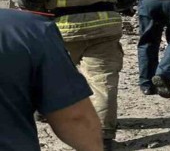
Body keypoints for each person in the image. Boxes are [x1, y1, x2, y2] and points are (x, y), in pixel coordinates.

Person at [16, 0, 137, 150]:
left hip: (62, 31)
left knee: (52, 78)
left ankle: (46, 114)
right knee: (103, 82)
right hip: (105, 29)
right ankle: (103, 138)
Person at [0, 8, 103, 151]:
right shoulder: (26, 28)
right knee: (103, 75)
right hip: (99, 24)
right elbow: (75, 118)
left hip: (76, 24)